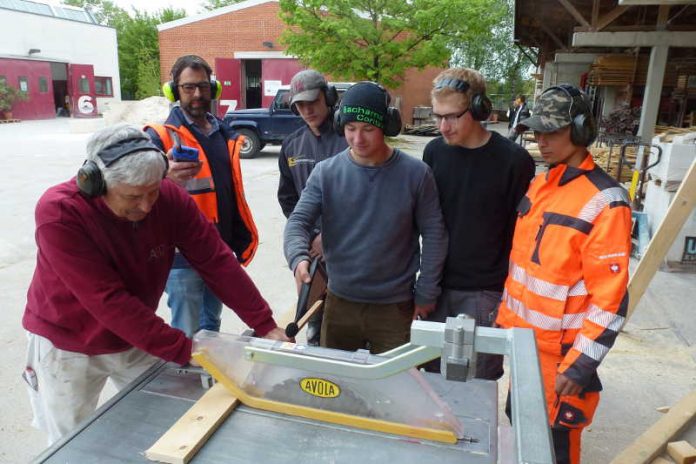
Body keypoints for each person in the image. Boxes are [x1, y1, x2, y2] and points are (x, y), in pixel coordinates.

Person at [21, 124, 289, 445]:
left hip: (133, 337)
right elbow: (108, 301)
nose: (147, 206)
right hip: (66, 345)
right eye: (133, 196)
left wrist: (264, 324)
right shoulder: (60, 214)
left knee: (168, 421)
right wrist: (186, 349)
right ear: (95, 184)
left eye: (153, 192)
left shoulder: (169, 198)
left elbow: (216, 260)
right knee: (72, 442)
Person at [495, 84, 631, 464]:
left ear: (582, 130)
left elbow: (611, 298)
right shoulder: (542, 184)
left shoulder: (605, 201)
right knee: (522, 439)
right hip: (525, 349)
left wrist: (583, 363)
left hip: (562, 360)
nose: (542, 140)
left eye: (552, 132)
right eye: (538, 131)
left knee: (554, 452)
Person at [284, 81, 448, 354]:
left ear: (387, 126)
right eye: (350, 129)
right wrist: (298, 257)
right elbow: (298, 222)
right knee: (337, 386)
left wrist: (427, 291)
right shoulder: (326, 173)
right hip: (338, 304)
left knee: (396, 388)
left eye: (368, 129)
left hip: (396, 307)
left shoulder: (417, 175)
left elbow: (434, 235)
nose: (358, 139)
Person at [423, 68, 535, 380]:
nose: (443, 127)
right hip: (437, 287)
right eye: (437, 117)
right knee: (431, 376)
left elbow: (520, 237)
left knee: (478, 380)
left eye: (453, 117)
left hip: (486, 292)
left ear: (477, 109)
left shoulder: (514, 161)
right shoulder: (433, 153)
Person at [145, 55, 258, 337]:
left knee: (211, 328)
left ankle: (208, 380)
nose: (197, 94)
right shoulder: (158, 136)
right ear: (173, 91)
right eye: (188, 87)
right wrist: (163, 175)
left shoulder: (224, 132)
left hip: (219, 250)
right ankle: (188, 380)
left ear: (214, 89)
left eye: (204, 87)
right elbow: (133, 188)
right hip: (182, 257)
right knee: (186, 334)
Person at [277, 69, 348, 345]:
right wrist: (307, 237)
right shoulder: (292, 145)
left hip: (349, 248)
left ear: (328, 98)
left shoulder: (349, 139)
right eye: (300, 105)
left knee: (348, 319)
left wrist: (328, 236)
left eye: (313, 102)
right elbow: (288, 200)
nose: (307, 110)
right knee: (314, 317)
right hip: (310, 251)